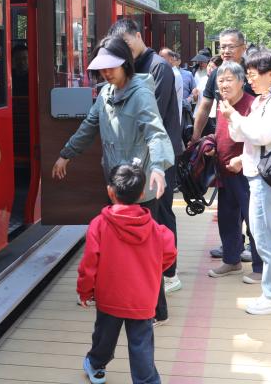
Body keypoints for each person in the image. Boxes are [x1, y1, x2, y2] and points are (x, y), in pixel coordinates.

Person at [53, 36, 175, 322]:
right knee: (117, 247)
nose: (106, 73)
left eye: (111, 67)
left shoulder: (141, 94)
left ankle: (158, 310)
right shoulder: (106, 93)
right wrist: (66, 154)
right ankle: (119, 299)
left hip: (140, 185)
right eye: (102, 68)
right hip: (116, 182)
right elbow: (89, 126)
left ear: (126, 64)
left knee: (145, 251)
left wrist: (159, 167)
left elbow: (155, 131)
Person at [78, 164, 176, 384]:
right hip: (143, 298)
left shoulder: (99, 225)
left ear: (110, 191)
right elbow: (169, 251)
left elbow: (89, 264)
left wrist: (85, 291)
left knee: (104, 337)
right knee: (142, 345)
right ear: (141, 194)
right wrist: (151, 272)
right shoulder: (156, 229)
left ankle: (95, 364)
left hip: (109, 296)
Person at [220, 48, 271, 315]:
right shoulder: (262, 101)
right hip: (258, 172)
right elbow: (242, 135)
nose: (250, 80)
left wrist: (235, 117)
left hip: (266, 177)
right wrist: (232, 117)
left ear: (270, 74)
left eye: (254, 75)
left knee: (265, 237)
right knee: (266, 234)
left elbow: (261, 135)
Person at [108, 20, 182, 301]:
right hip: (138, 153)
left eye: (127, 43)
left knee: (162, 211)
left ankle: (170, 273)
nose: (125, 50)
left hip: (160, 154)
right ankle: (150, 271)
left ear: (139, 36)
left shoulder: (158, 67)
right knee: (148, 213)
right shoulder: (133, 66)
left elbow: (154, 115)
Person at [204, 60, 263, 283]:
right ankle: (231, 260)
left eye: (229, 80)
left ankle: (260, 267)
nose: (224, 85)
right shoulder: (222, 103)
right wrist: (211, 144)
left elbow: (257, 139)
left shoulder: (252, 104)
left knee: (253, 219)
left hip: (247, 171)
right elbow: (221, 133)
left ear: (241, 81)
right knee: (227, 217)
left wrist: (241, 160)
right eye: (220, 81)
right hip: (224, 170)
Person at [190, 29, 253, 148]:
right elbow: (205, 106)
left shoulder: (253, 72)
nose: (226, 51)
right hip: (222, 142)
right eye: (223, 47)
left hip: (251, 142)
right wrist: (195, 137)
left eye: (231, 47)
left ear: (243, 48)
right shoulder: (216, 74)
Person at [158, 47, 185, 125]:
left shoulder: (174, 74)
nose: (159, 59)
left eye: (162, 57)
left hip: (171, 117)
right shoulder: (169, 72)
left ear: (171, 59)